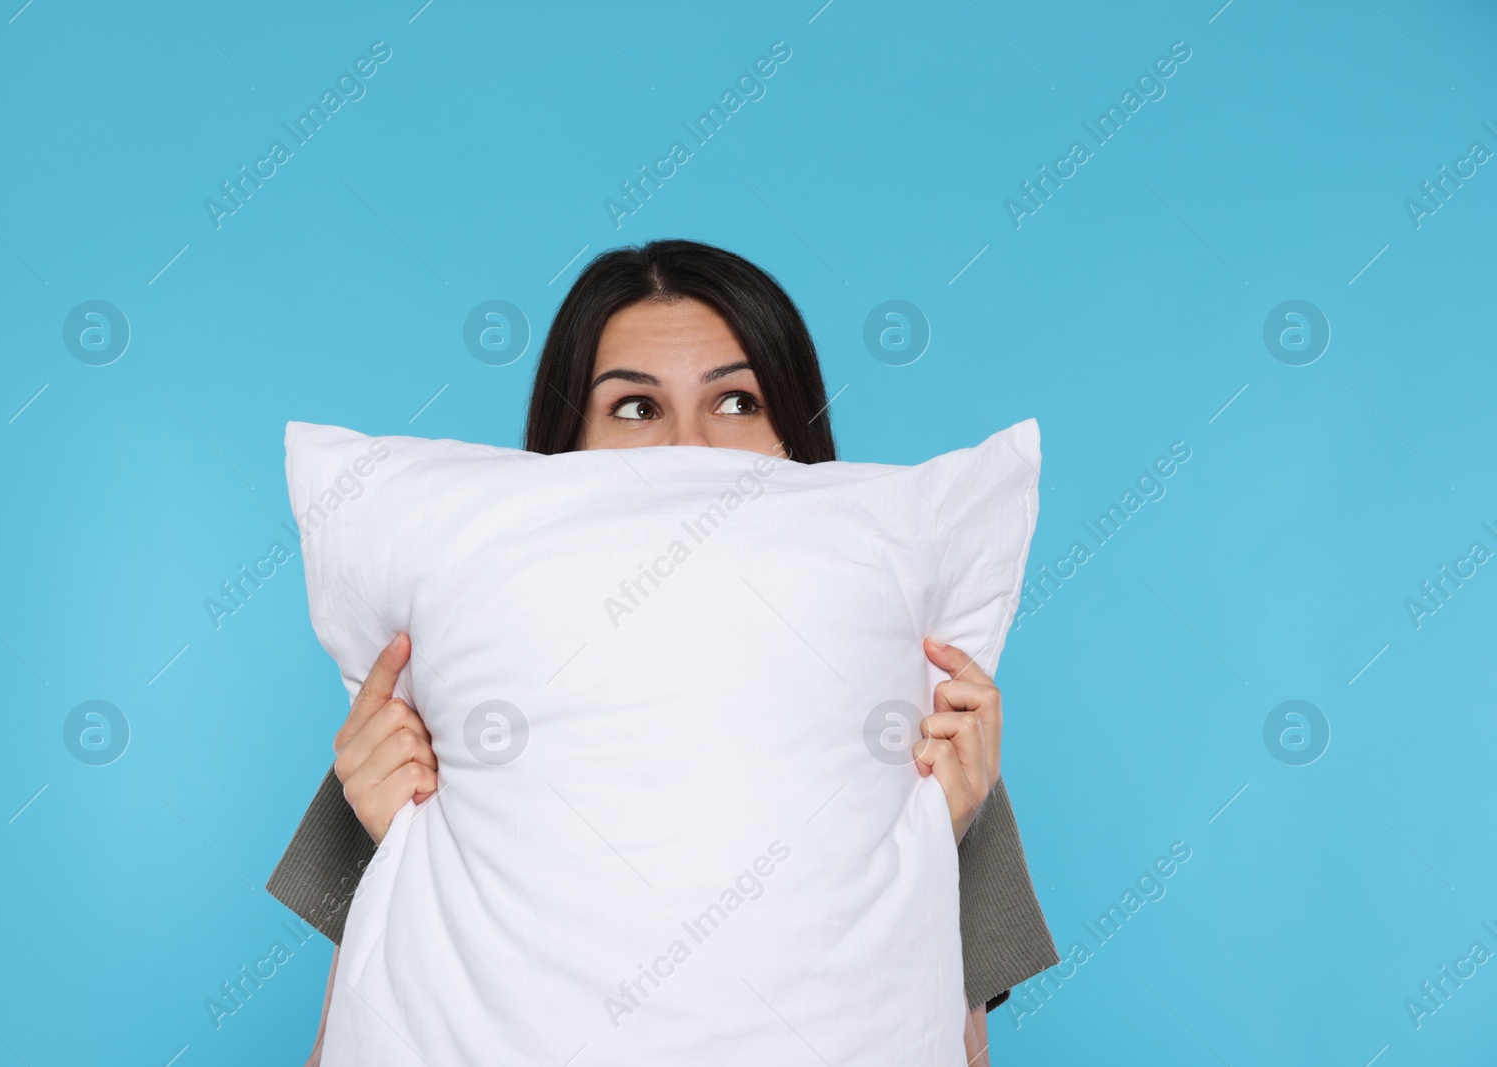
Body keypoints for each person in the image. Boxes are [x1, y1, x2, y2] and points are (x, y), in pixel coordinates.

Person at [267, 238, 1058, 1064]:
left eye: (739, 402)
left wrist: (942, 825)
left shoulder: (911, 721)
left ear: (798, 437)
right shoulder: (436, 714)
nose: (690, 446)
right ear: (561, 452)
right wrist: (402, 834)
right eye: (636, 408)